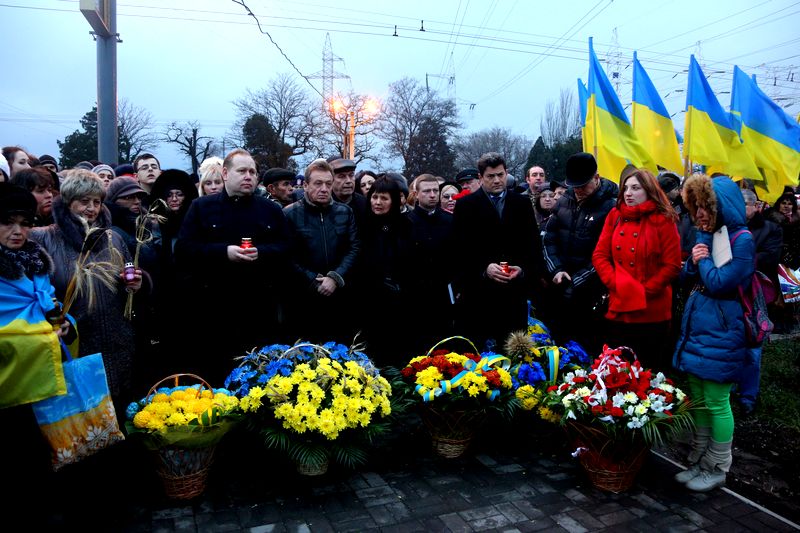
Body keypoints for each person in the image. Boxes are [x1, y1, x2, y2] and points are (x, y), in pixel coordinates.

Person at [175, 149, 291, 382]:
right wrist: (223, 252)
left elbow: (287, 247)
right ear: (226, 174)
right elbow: (184, 250)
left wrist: (262, 252)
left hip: (259, 310)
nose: (248, 176)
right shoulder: (201, 207)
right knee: (217, 377)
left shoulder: (270, 209)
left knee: (258, 379)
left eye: (252, 172)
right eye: (242, 171)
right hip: (215, 311)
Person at [30, 170, 142, 406]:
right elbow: (32, 293)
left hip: (118, 346)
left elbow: (128, 276)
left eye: (97, 202)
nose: (91, 208)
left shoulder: (113, 238)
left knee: (120, 413)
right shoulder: (43, 239)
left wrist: (136, 284)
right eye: (84, 201)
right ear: (68, 201)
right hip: (75, 347)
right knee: (83, 416)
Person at [673, 174, 754, 492]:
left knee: (717, 400)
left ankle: (717, 465)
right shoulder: (707, 234)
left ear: (721, 206)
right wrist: (695, 262)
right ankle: (699, 458)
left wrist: (702, 259)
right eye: (695, 207)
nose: (700, 213)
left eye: (705, 206)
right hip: (699, 325)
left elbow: (721, 282)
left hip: (723, 329)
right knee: (699, 397)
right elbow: (687, 276)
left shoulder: (742, 239)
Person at [452, 152, 543, 349]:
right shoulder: (466, 205)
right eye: (490, 176)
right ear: (480, 177)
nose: (497, 180)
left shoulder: (521, 203)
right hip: (478, 296)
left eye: (500, 175)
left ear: (506, 173)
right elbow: (459, 249)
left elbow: (533, 245)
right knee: (477, 356)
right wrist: (484, 269)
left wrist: (522, 269)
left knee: (514, 353)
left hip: (513, 295)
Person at [592, 169, 681, 370]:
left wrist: (642, 291)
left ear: (649, 190)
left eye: (635, 188)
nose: (628, 193)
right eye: (625, 188)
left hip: (652, 310)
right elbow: (599, 255)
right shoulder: (614, 215)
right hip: (619, 305)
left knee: (648, 371)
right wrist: (615, 284)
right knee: (617, 370)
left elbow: (672, 265)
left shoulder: (664, 219)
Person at [542, 152, 618, 353]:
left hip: (591, 292)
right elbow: (549, 238)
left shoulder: (611, 206)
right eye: (574, 186)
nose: (578, 191)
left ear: (596, 178)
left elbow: (607, 253)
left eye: (583, 185)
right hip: (559, 283)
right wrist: (556, 269)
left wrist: (576, 281)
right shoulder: (564, 200)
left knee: (587, 348)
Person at [283, 159, 360, 344]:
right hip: (303, 299)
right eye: (318, 183)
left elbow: (354, 247)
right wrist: (313, 279)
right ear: (306, 185)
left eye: (328, 184)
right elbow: (287, 255)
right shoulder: (289, 214)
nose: (324, 189)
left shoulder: (345, 212)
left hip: (339, 297)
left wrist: (335, 277)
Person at [358, 177, 413, 366]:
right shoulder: (363, 224)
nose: (378, 202)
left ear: (394, 201)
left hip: (399, 299)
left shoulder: (406, 225)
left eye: (384, 198)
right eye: (374, 197)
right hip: (370, 299)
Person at [738, 189, 783, 412]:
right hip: (734, 291)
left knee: (753, 344)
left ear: (755, 206)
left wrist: (741, 258)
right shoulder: (728, 227)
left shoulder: (770, 229)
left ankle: (748, 396)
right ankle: (730, 387)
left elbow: (770, 257)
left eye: (744, 204)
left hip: (756, 294)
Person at [407, 174, 455, 354]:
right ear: (416, 194)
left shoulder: (450, 220)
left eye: (436, 190)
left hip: (444, 291)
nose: (433, 195)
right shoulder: (406, 222)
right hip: (416, 292)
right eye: (427, 191)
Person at [329, 157, 368, 228]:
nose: (348, 181)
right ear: (330, 180)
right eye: (341, 176)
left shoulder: (364, 203)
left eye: (351, 175)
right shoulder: (323, 204)